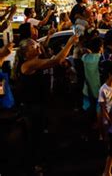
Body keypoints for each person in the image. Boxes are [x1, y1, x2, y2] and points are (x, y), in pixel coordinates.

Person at [15, 34, 78, 171]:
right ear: (26, 53)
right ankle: (34, 166)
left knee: (40, 135)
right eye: (33, 46)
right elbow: (56, 60)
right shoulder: (29, 64)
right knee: (35, 137)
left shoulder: (35, 61)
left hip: (39, 105)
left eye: (37, 44)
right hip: (33, 108)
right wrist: (70, 43)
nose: (37, 46)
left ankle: (38, 162)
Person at [98, 61, 112, 138]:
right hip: (107, 117)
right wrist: (109, 120)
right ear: (110, 74)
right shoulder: (103, 89)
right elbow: (103, 108)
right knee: (107, 135)